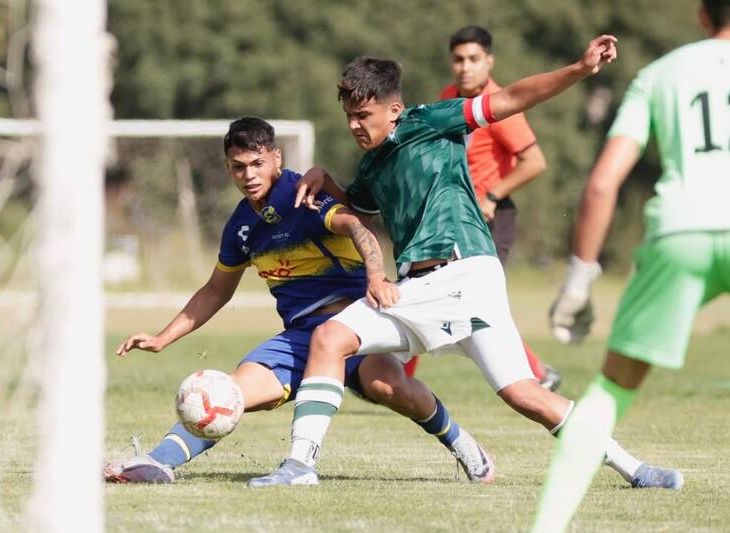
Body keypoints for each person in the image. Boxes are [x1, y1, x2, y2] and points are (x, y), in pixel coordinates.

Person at [248, 36, 680, 491]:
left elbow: (511, 98)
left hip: (458, 273)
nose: (355, 125)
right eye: (349, 117)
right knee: (524, 395)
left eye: (363, 115)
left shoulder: (431, 121)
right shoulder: (373, 165)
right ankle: (637, 470)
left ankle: (300, 465)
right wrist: (323, 178)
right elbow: (359, 204)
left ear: (394, 109)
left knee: (330, 337)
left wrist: (578, 68)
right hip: (440, 286)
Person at [103, 117, 495, 484]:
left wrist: (376, 275)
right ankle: (159, 462)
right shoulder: (241, 226)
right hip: (300, 337)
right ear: (228, 168)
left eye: (257, 163)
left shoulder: (303, 197)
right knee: (229, 393)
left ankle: (463, 443)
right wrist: (161, 338)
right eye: (238, 166)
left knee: (387, 386)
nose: (248, 174)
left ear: (276, 158)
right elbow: (216, 291)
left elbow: (358, 227)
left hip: (356, 324)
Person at [533, 2, 730, 530]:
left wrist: (580, 277)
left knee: (611, 390)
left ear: (701, 14)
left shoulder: (659, 74)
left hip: (681, 231)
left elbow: (602, 183)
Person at [405, 25, 561, 390]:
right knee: (426, 288)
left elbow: (535, 161)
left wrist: (491, 195)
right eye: (458, 59)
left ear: (489, 61)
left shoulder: (500, 105)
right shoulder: (448, 97)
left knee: (472, 302)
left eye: (473, 59)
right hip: (452, 218)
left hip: (491, 217)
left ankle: (537, 374)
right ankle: (399, 379)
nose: (465, 67)